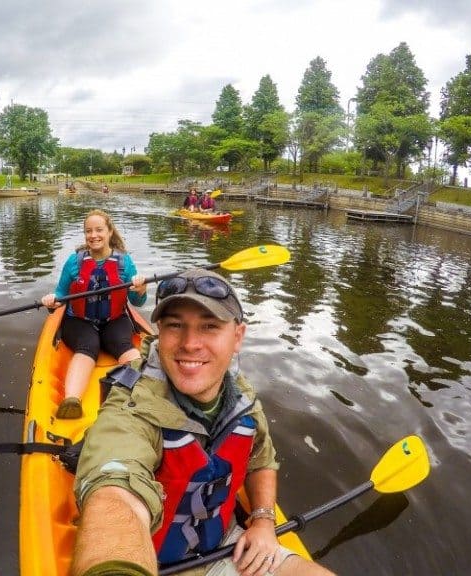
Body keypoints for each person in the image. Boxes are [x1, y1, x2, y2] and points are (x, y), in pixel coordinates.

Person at [71, 269, 335, 576]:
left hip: (229, 546)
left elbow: (260, 460)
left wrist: (263, 519)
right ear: (158, 331)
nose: (190, 343)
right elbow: (115, 491)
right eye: (175, 326)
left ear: (238, 337)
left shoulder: (240, 395)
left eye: (209, 327)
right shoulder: (131, 407)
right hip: (152, 561)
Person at [41, 209, 147, 419]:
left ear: (109, 232)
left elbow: (137, 302)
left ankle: (145, 390)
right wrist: (51, 302)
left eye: (99, 230)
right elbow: (61, 295)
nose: (93, 235)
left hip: (114, 319)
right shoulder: (74, 262)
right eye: (88, 231)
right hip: (79, 321)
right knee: (88, 344)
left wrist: (141, 290)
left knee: (123, 344)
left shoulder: (125, 263)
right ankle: (72, 400)